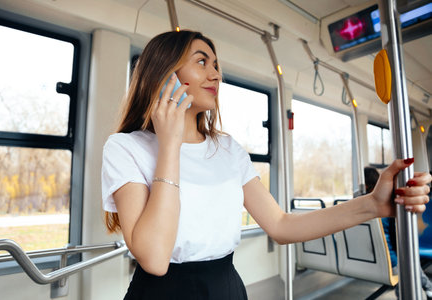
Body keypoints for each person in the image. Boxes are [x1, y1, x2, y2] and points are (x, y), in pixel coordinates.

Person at [101, 29, 432, 300]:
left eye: (216, 64)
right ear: (165, 73)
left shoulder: (228, 149)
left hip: (226, 288)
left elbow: (282, 225)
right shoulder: (125, 148)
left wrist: (373, 204)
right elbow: (155, 260)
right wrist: (170, 143)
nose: (215, 73)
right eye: (202, 62)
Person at [365, 166, 432, 299]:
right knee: (409, 262)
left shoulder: (360, 213)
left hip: (369, 261)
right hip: (392, 263)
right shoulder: (389, 210)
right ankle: (428, 287)